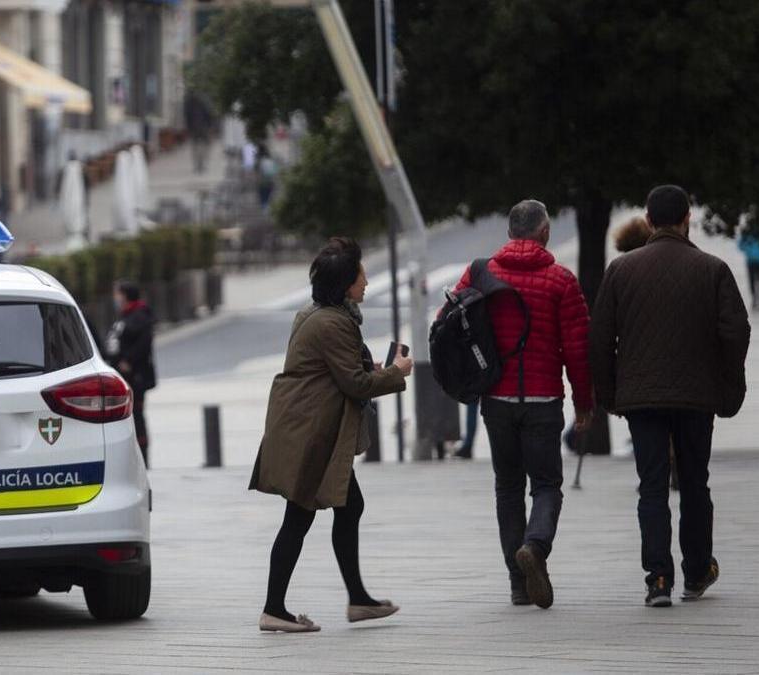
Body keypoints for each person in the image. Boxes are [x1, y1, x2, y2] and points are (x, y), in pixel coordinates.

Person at [590, 185, 751, 608]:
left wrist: (609, 395)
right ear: (687, 219)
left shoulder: (621, 271)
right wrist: (729, 386)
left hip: (641, 398)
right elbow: (736, 330)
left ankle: (658, 577)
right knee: (695, 484)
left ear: (647, 220)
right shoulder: (712, 269)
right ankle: (697, 572)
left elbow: (600, 337)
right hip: (696, 397)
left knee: (652, 487)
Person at [249, 237, 412, 633]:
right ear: (344, 283)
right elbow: (355, 384)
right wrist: (396, 373)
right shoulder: (332, 321)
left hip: (312, 428)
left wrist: (369, 365)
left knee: (349, 506)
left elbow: (336, 368)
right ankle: (274, 609)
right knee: (298, 517)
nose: (367, 281)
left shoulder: (322, 312)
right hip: (311, 434)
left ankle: (358, 599)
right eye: (361, 274)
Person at [450, 199, 593, 609]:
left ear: (510, 233)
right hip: (544, 400)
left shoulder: (480, 273)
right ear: (544, 232)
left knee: (508, 488)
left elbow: (450, 320)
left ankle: (517, 583)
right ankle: (535, 545)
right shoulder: (561, 280)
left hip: (497, 398)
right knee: (546, 484)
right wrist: (584, 403)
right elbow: (578, 350)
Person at [104, 280, 156, 464]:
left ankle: (143, 457)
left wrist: (128, 361)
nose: (115, 298)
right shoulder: (124, 317)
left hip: (135, 376)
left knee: (137, 415)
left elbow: (144, 343)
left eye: (117, 294)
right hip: (121, 374)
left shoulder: (140, 316)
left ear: (125, 295)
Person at [738, 228, 759, 313]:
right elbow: (740, 245)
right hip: (751, 261)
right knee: (752, 282)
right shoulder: (747, 233)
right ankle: (755, 299)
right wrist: (748, 249)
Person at [184, 91, 215, 174]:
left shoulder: (189, 103)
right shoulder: (205, 103)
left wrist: (188, 128)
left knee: (196, 147)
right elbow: (210, 115)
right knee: (204, 147)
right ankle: (201, 163)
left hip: (195, 128)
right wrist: (210, 126)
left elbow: (187, 116)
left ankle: (198, 164)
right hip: (203, 128)